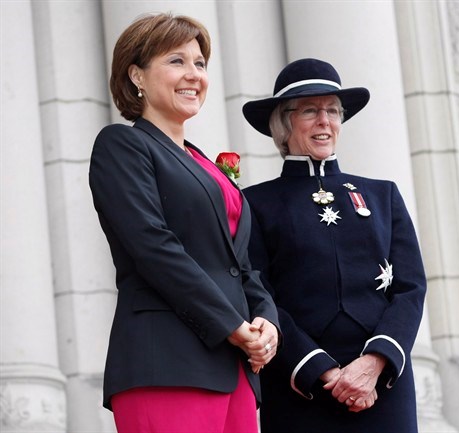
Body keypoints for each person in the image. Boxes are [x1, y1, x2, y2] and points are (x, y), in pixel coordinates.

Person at [88, 13, 279, 433]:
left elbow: (239, 262)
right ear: (136, 74)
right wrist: (230, 324)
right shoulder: (123, 145)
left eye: (200, 63)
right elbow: (153, 245)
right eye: (176, 61)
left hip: (234, 368)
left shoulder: (203, 163)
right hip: (167, 362)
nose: (193, 74)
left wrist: (267, 320)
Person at [242, 58, 427, 433]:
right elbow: (257, 294)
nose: (325, 121)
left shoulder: (382, 195)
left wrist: (375, 362)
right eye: (310, 110)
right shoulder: (254, 204)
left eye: (333, 111)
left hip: (382, 383)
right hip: (300, 386)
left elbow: (411, 288)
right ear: (283, 122)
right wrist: (319, 369)